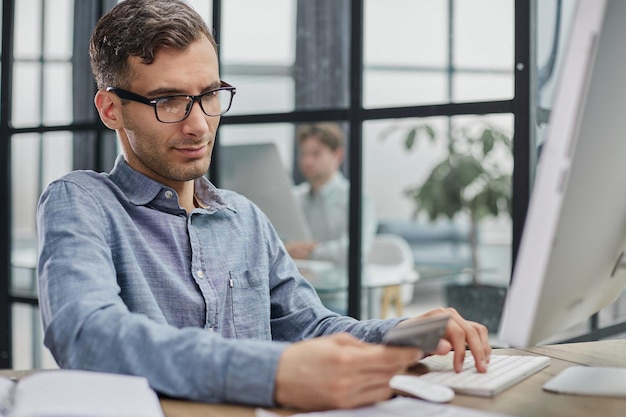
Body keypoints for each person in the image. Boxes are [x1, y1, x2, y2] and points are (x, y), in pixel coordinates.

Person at [36, 0, 491, 411]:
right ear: (111, 109)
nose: (198, 125)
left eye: (209, 95)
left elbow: (310, 327)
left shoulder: (245, 218)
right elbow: (85, 333)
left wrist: (400, 334)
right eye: (168, 100)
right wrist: (272, 372)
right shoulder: (81, 202)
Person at [285, 122, 377, 314]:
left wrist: (312, 251)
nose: (308, 161)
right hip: (301, 295)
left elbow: (357, 249)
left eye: (316, 154)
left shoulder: (357, 198)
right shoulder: (294, 197)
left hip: (342, 297)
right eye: (304, 154)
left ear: (338, 155)